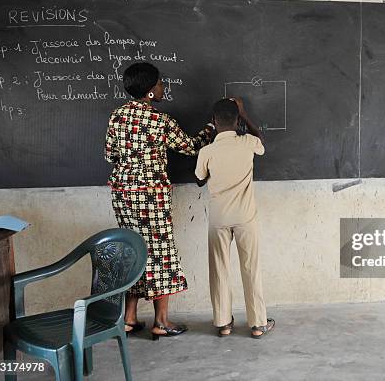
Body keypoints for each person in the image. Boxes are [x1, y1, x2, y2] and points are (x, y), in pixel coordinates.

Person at [105, 62, 214, 339]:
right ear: (151, 91)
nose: (163, 87)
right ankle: (161, 322)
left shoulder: (117, 116)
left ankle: (129, 318)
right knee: (160, 253)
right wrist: (212, 127)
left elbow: (110, 155)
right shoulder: (159, 121)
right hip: (151, 195)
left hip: (122, 192)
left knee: (132, 250)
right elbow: (190, 147)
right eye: (160, 83)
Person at [194, 97, 275, 338]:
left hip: (219, 218)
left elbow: (199, 180)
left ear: (213, 121)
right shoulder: (248, 142)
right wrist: (245, 115)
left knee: (219, 269)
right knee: (251, 268)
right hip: (245, 217)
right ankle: (258, 324)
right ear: (238, 120)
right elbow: (261, 141)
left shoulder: (207, 151)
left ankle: (223, 323)